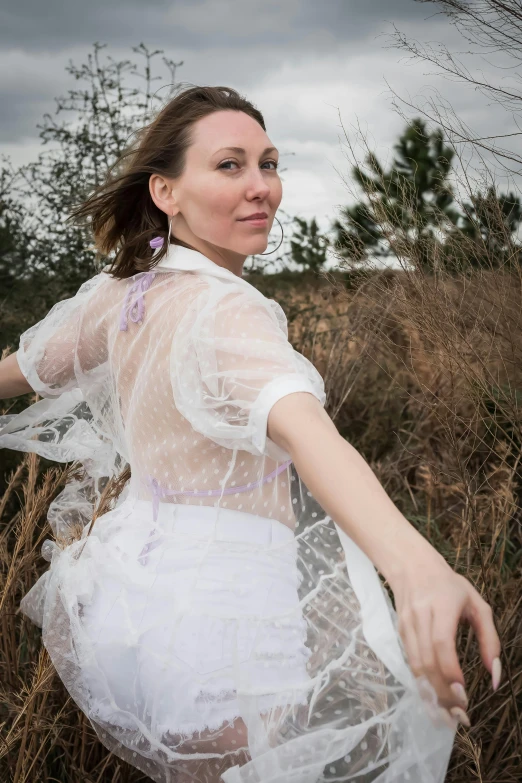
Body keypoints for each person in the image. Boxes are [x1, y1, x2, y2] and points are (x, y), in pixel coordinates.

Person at [0, 85, 501, 783]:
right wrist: (417, 568)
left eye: (269, 163)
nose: (261, 186)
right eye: (230, 165)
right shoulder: (230, 311)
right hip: (222, 622)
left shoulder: (123, 295)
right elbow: (307, 432)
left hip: (130, 601)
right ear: (166, 191)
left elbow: (16, 371)